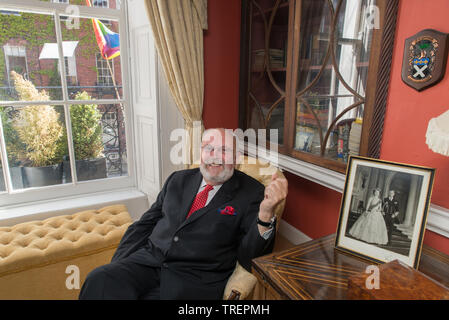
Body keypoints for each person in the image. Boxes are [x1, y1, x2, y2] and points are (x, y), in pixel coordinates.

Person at [79, 128, 288, 300]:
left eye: (224, 150)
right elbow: (144, 225)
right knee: (100, 279)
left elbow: (250, 256)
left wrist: (266, 213)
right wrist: (120, 263)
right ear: (201, 153)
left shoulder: (252, 194)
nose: (215, 156)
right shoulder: (177, 179)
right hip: (149, 261)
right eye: (209, 148)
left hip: (193, 278)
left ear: (235, 158)